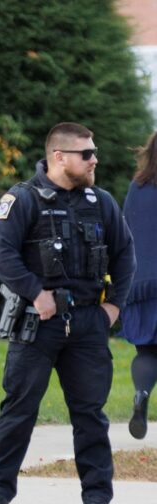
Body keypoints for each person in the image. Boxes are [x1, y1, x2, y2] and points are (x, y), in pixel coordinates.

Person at [0, 123, 136, 504]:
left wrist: (113, 308)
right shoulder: (23, 200)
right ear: (59, 157)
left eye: (94, 152)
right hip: (38, 324)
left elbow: (125, 256)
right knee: (18, 409)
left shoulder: (100, 202)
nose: (95, 159)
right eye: (87, 153)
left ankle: (96, 498)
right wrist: (35, 291)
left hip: (88, 323)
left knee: (90, 415)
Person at [120, 130, 157, 440]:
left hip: (141, 285)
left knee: (146, 352)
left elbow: (124, 231)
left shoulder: (137, 186)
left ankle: (142, 393)